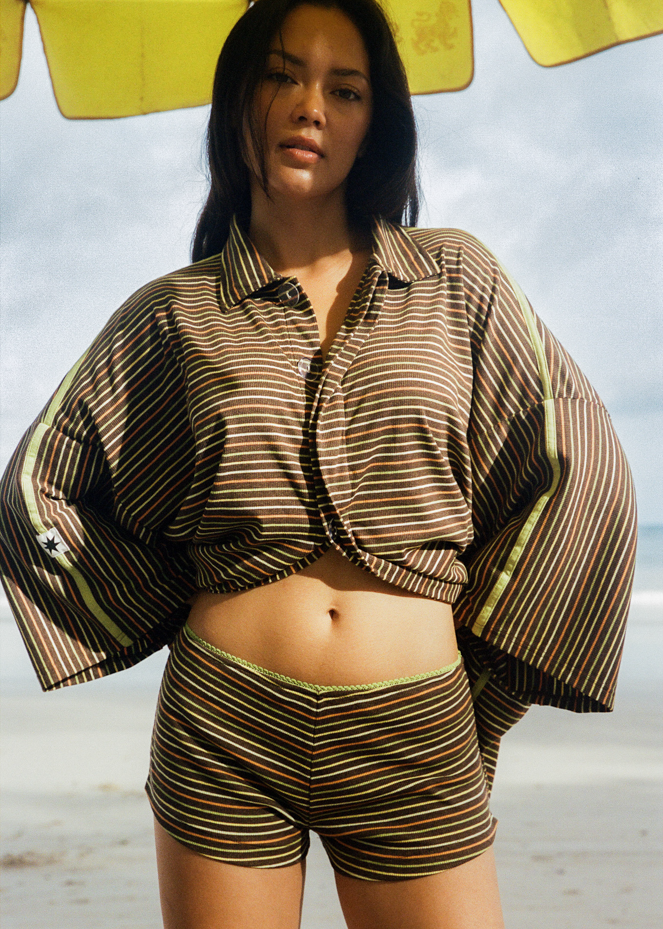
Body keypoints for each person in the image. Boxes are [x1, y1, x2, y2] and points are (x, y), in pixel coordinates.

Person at [0, 0, 636, 926]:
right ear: (239, 101)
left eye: (345, 88)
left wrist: (484, 687)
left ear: (376, 120)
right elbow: (35, 486)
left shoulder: (455, 278)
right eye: (282, 74)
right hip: (223, 725)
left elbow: (579, 464)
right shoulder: (173, 313)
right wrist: (174, 602)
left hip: (415, 724)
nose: (311, 106)